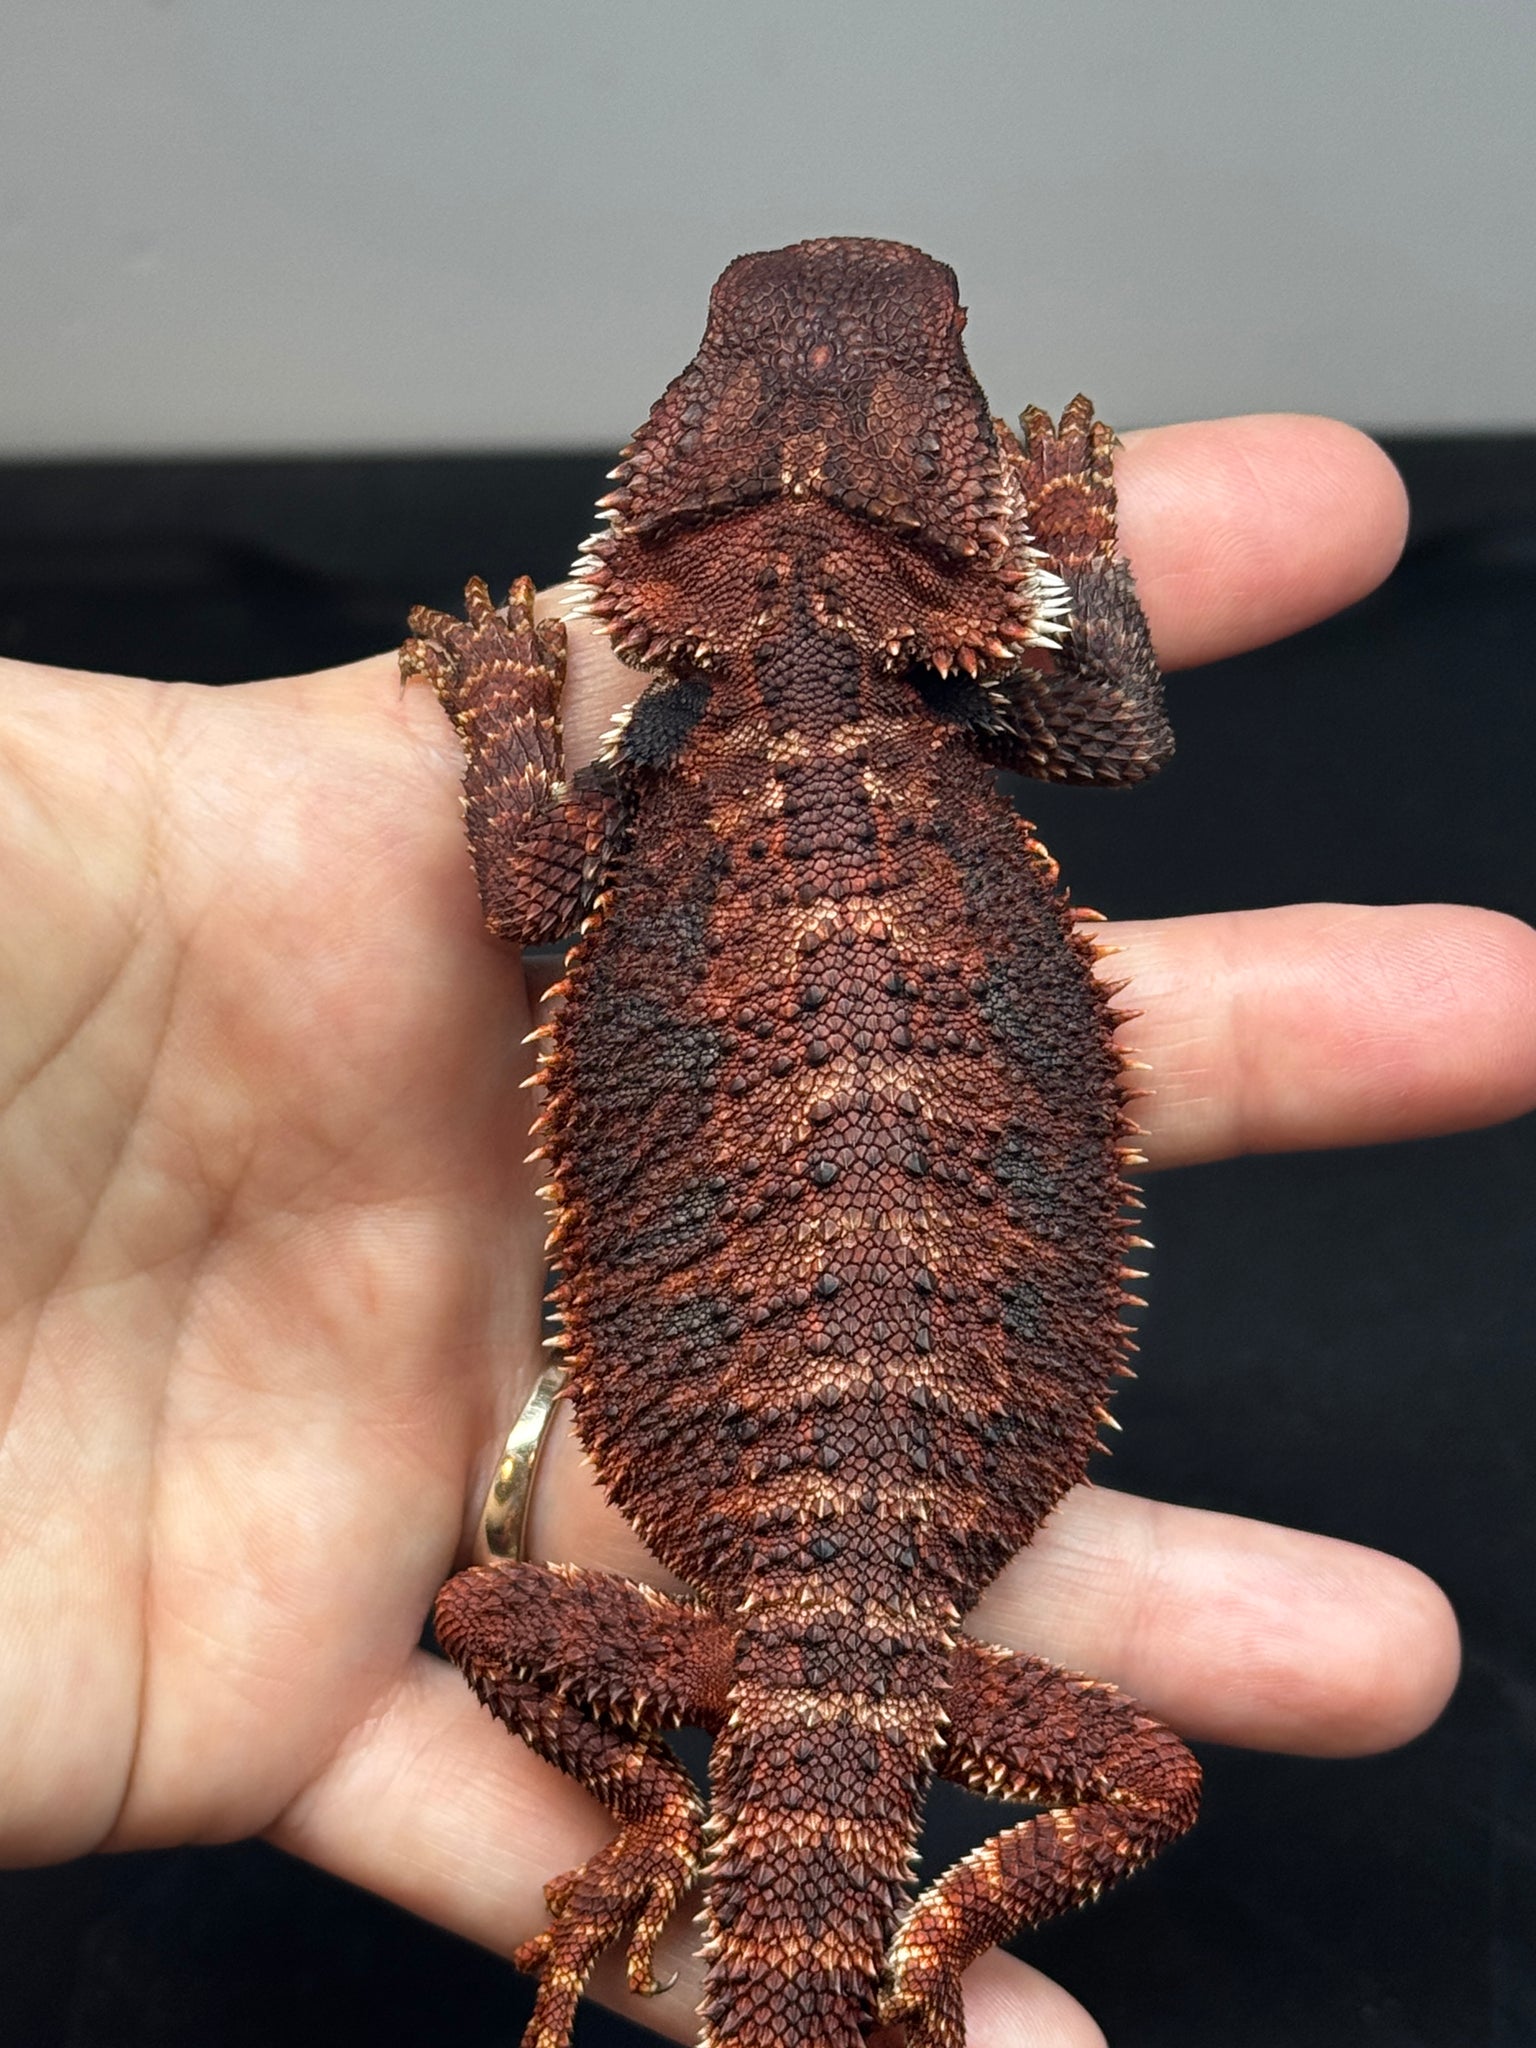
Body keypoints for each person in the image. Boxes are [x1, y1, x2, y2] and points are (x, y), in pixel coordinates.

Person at [1, 414, 1532, 2048]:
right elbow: (1111, 728)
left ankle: (658, 1826)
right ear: (953, 556)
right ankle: (873, 1934)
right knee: (1136, 1778)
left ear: (664, 533)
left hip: (807, 1521)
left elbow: (527, 893)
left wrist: (509, 706)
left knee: (486, 1619)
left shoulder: (664, 771)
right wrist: (1081, 538)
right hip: (924, 1504)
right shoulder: (913, 727)